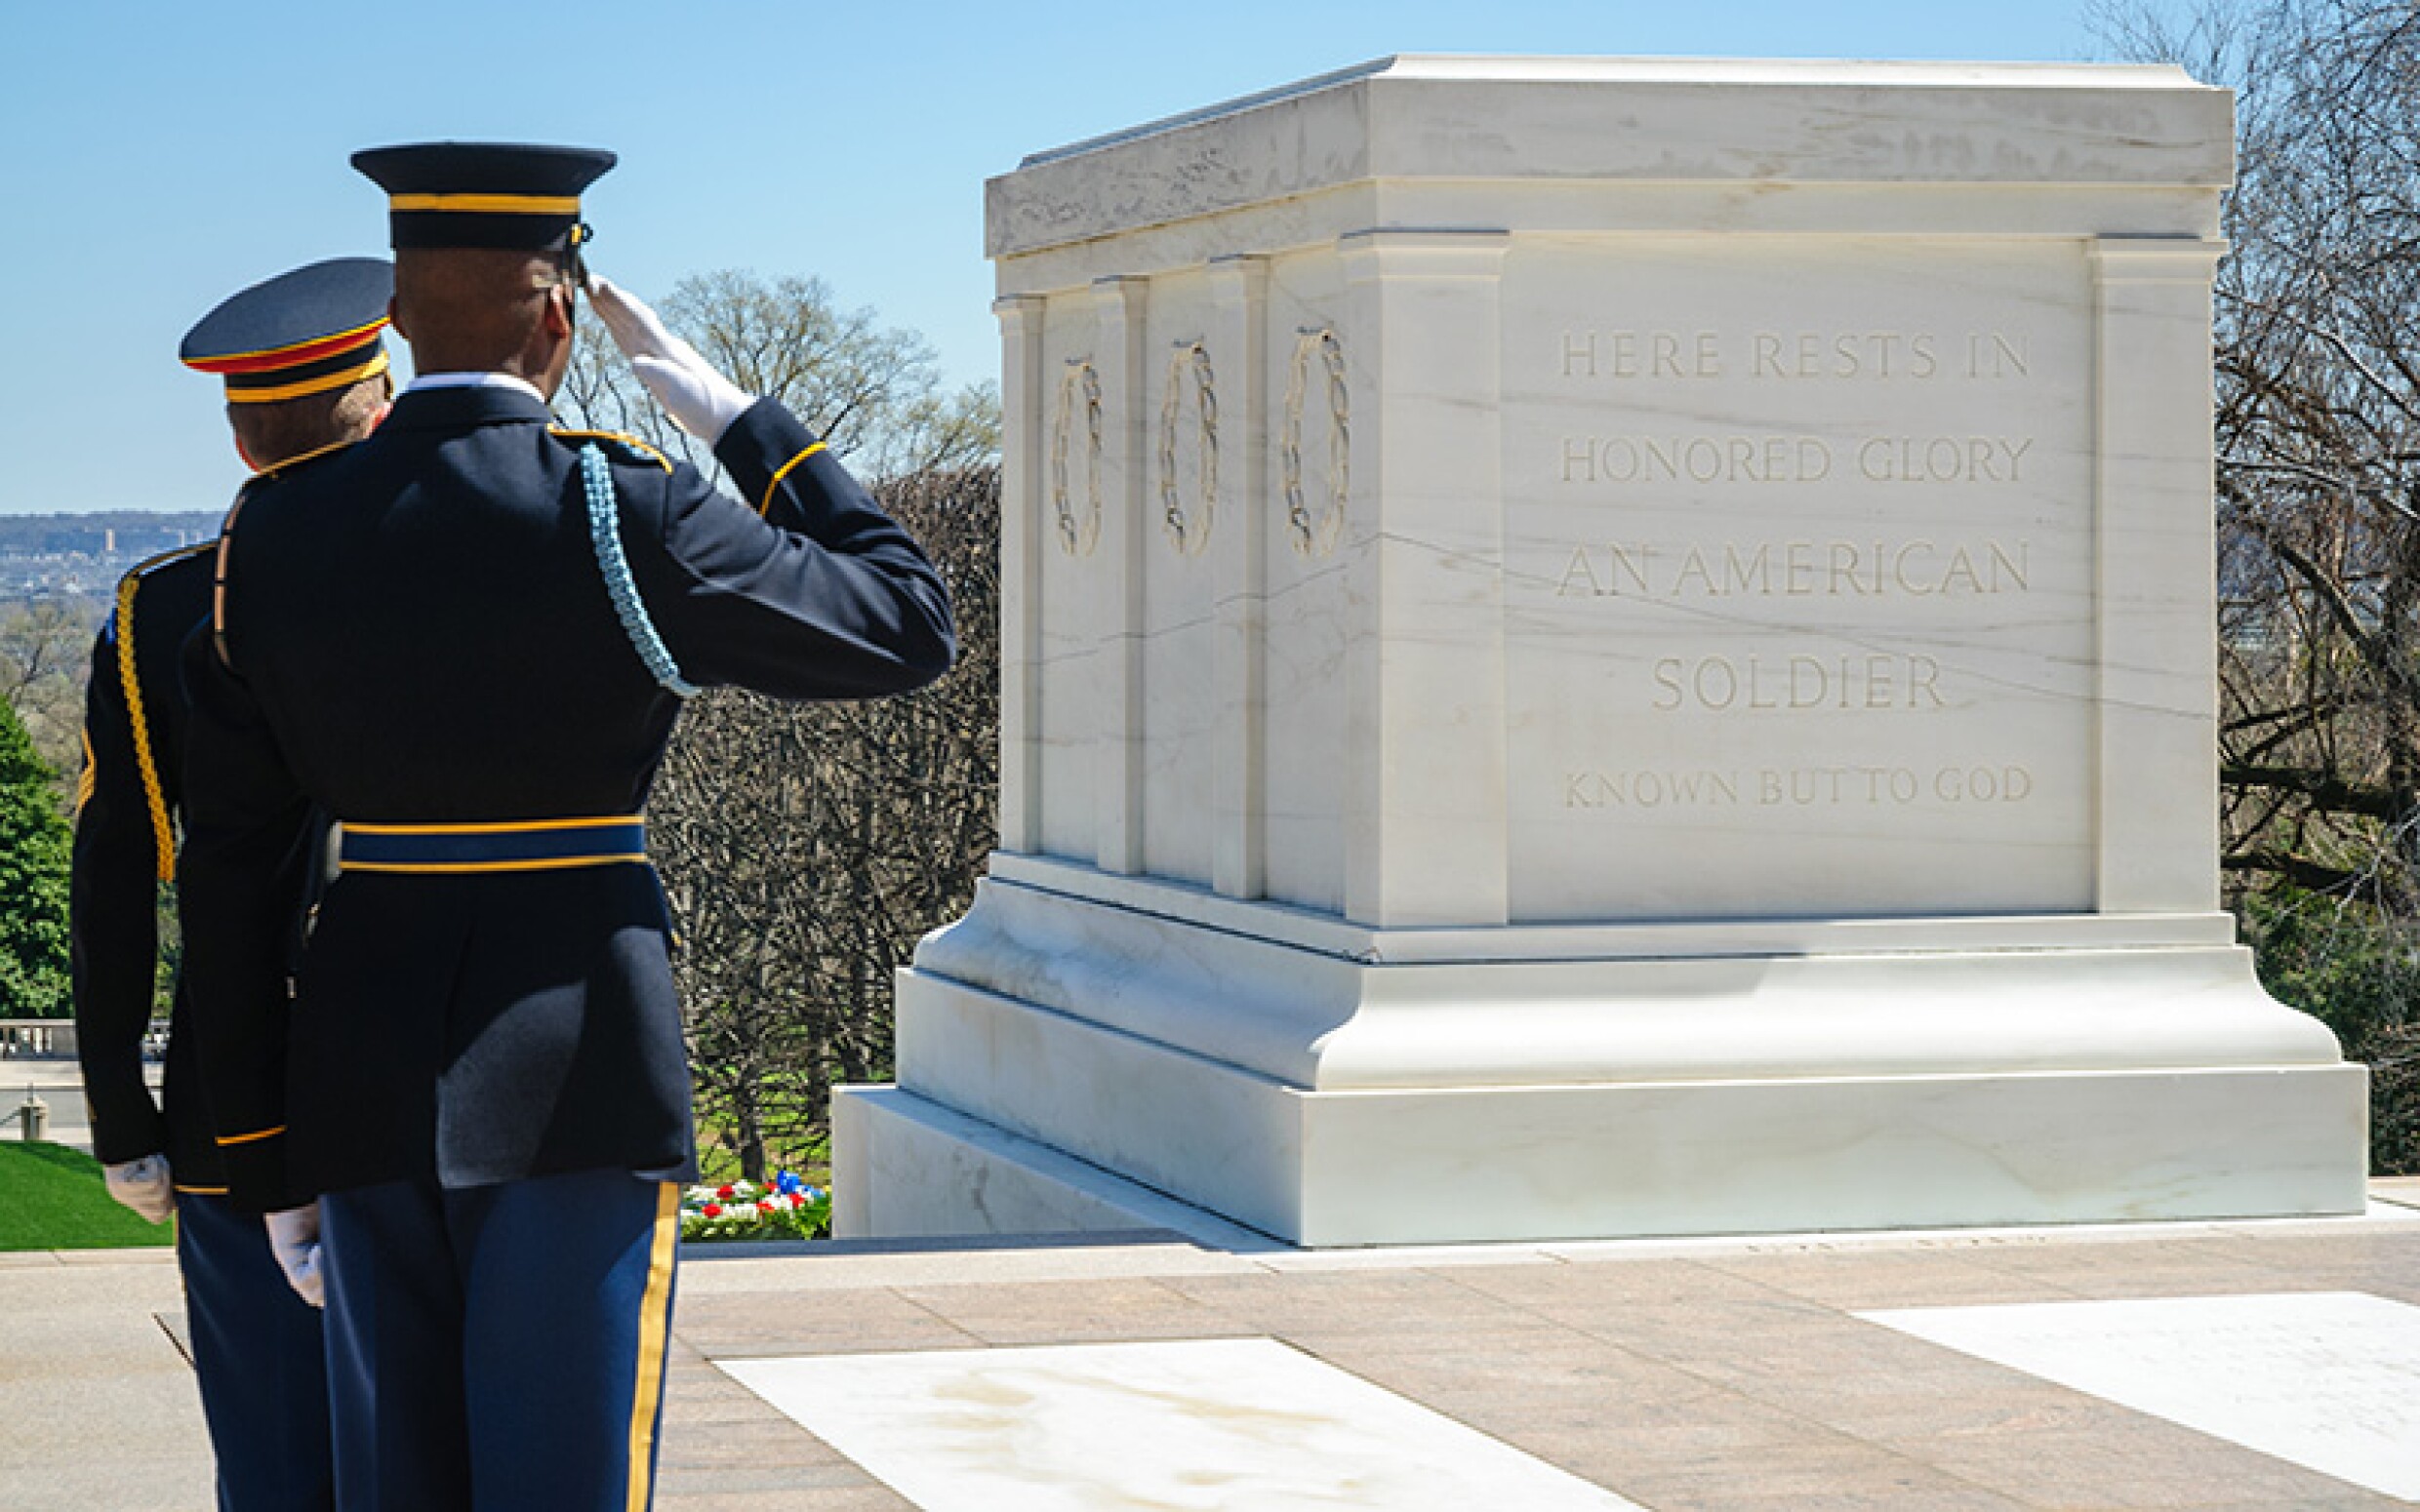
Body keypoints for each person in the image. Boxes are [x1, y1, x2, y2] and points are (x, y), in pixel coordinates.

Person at [179, 142, 953, 1512]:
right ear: (561, 317)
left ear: (399, 318)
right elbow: (906, 621)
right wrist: (740, 425)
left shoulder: (271, 542)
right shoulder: (621, 508)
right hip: (580, 1076)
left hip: (357, 1083)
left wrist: (263, 1151)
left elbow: (232, 882)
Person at [72, 255, 396, 1512]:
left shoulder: (157, 611)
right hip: (433, 1080)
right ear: (377, 401)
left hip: (234, 1105)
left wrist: (117, 1108)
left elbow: (117, 876)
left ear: (243, 431)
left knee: (275, 1465)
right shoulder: (466, 572)